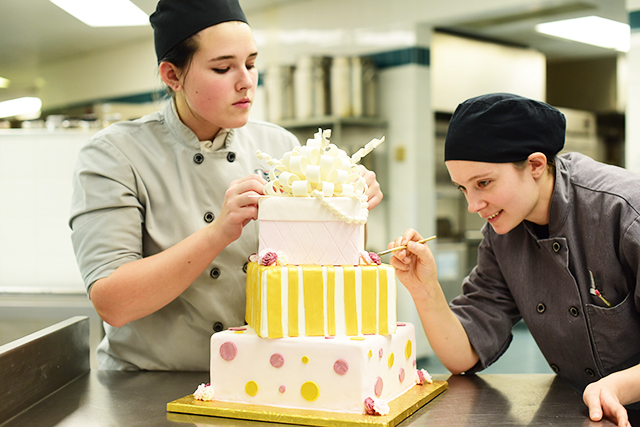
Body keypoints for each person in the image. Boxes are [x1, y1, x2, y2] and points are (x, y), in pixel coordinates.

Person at [69, 0, 383, 371]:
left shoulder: (280, 147)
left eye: (250, 64)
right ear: (172, 76)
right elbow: (113, 303)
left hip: (261, 377)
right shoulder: (115, 155)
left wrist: (347, 210)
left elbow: (321, 269)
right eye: (223, 68)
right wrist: (219, 231)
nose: (246, 81)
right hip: (146, 385)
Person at [388, 93, 640, 427]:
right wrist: (425, 290)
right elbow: (462, 354)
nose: (473, 205)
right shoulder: (502, 237)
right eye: (463, 189)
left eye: (484, 183)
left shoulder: (624, 212)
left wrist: (618, 386)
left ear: (535, 165)